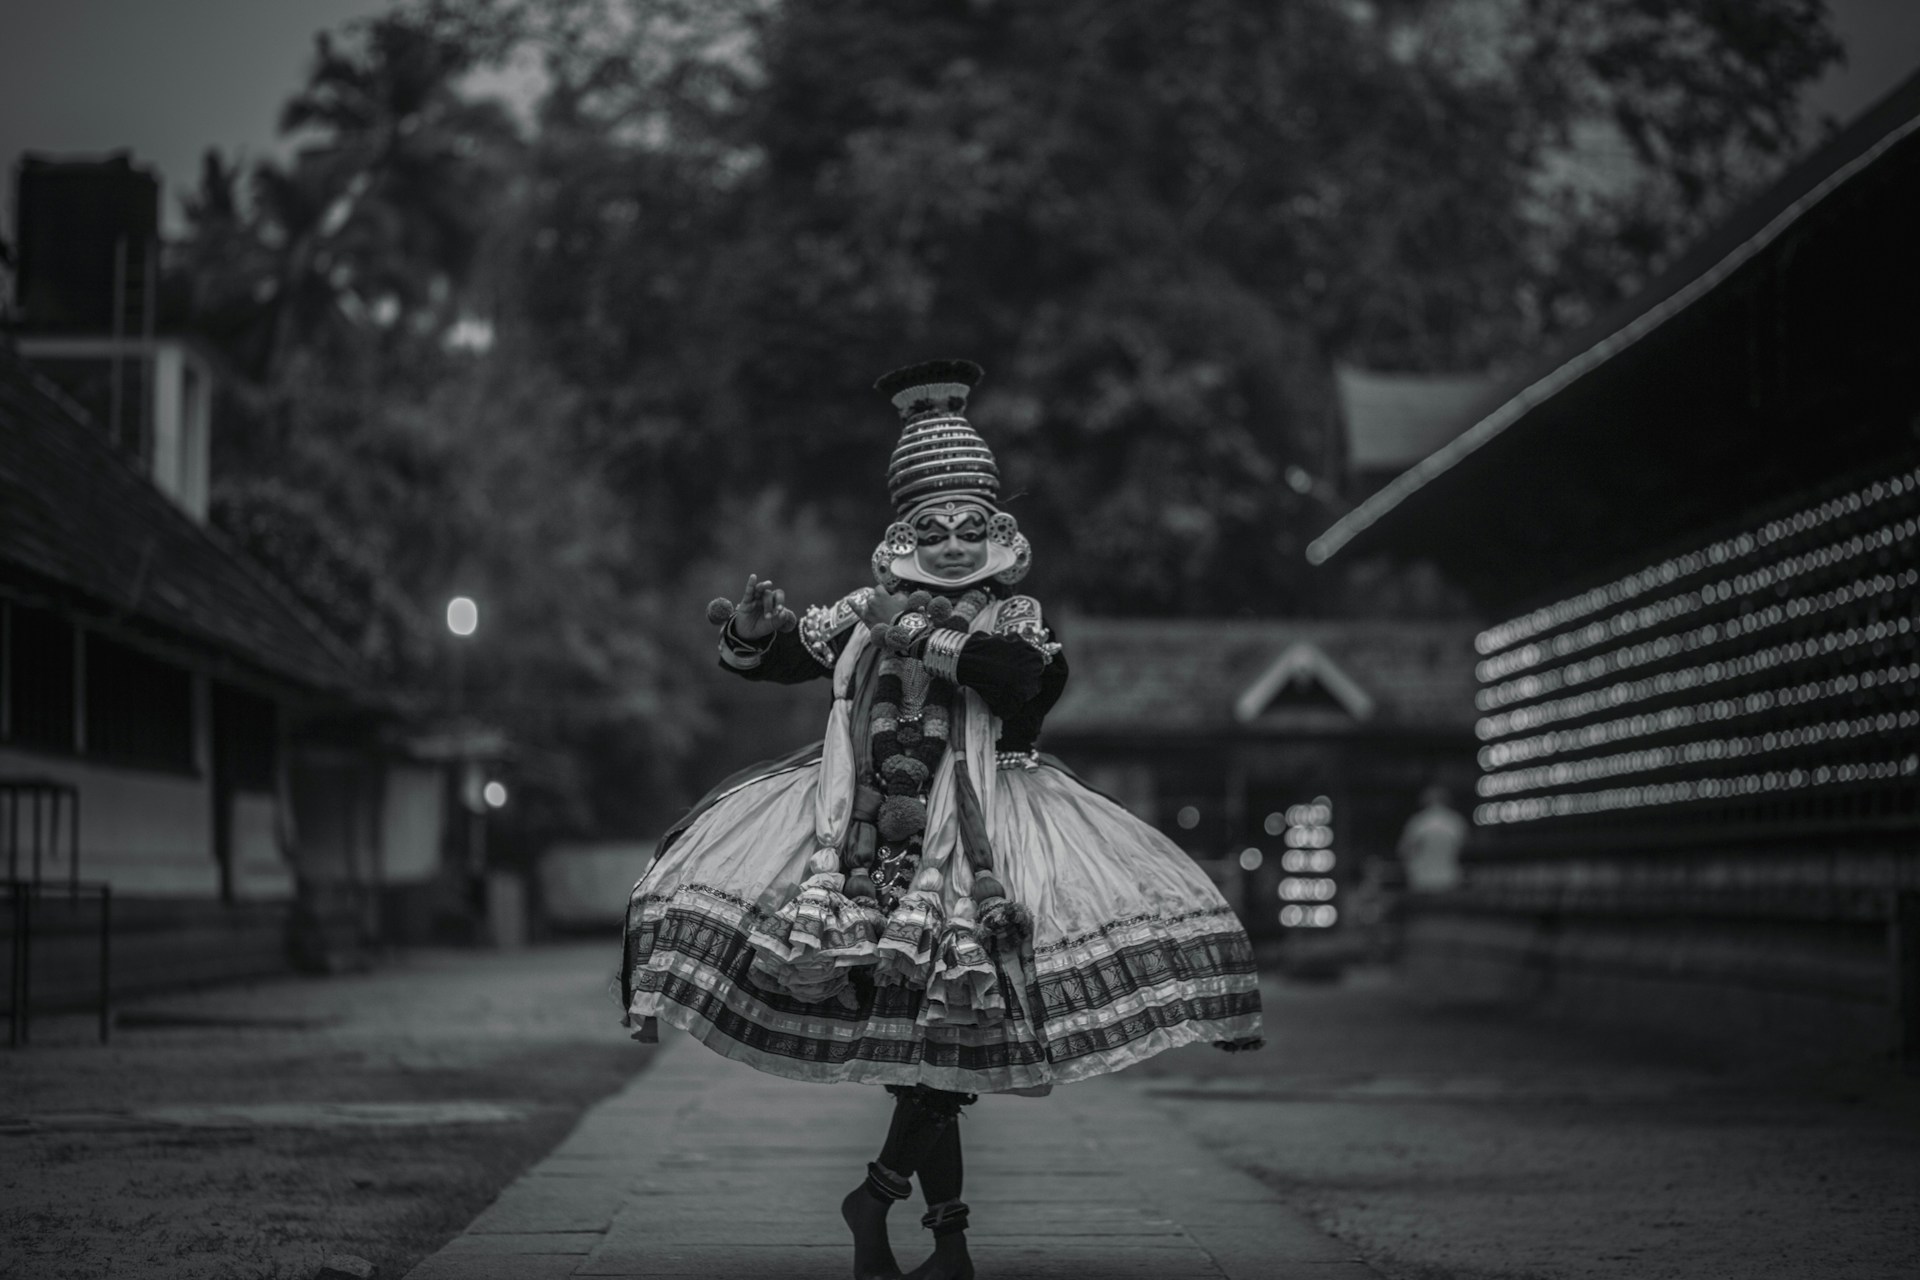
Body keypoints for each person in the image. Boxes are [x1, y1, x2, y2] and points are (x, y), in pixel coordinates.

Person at [620, 360, 1262, 1280]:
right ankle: (945, 1241)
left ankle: (883, 1200)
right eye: (934, 528)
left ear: (999, 533)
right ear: (902, 534)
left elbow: (1017, 687)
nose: (955, 545)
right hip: (865, 842)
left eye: (972, 528)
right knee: (929, 1054)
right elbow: (786, 658)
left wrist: (915, 632)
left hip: (990, 838)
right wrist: (758, 632)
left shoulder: (1017, 619)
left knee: (948, 1048)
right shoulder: (863, 614)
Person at [1397, 785, 1467, 894]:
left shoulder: (1418, 822)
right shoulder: (1456, 821)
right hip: (1449, 878)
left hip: (1421, 879)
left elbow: (1404, 851)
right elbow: (1463, 850)